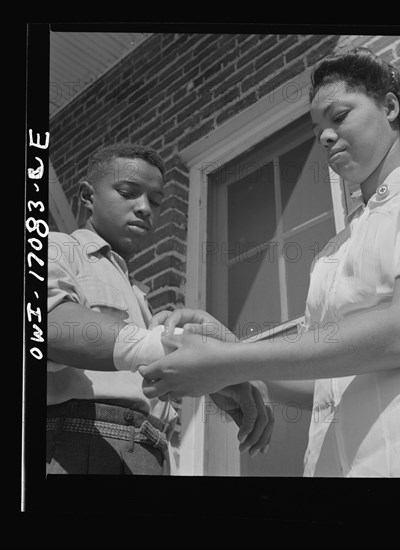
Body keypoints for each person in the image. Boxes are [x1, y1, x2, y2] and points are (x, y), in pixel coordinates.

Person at [139, 47, 400, 478]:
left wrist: (228, 362)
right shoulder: (332, 250)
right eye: (317, 129)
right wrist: (230, 347)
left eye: (339, 116)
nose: (325, 137)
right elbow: (318, 384)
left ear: (390, 106)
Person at [47, 143, 273, 476]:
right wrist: (183, 346)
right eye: (127, 192)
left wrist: (218, 378)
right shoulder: (56, 246)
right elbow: (50, 326)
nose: (144, 208)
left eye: (154, 201)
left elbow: (149, 370)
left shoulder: (139, 295)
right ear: (86, 196)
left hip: (153, 450)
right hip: (83, 441)